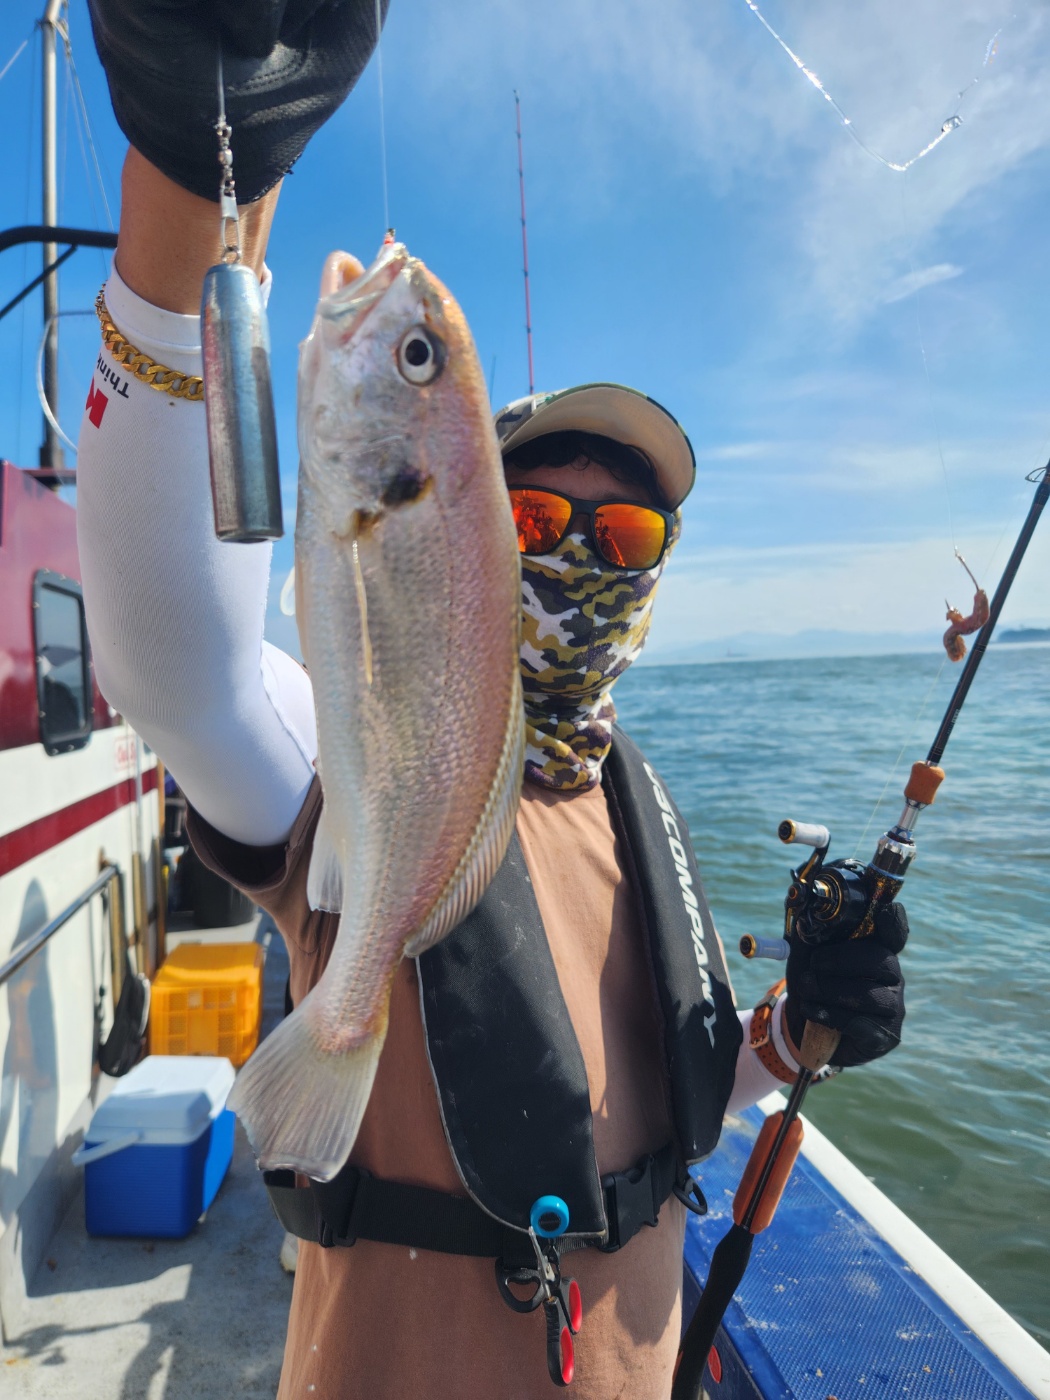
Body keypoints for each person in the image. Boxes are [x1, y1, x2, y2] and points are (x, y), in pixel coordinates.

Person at [78, 3, 908, 1396]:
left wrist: (792, 1032)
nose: (581, 554)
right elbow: (177, 664)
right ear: (464, 530)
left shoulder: (631, 800)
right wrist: (196, 192)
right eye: (533, 516)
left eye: (626, 534)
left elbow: (658, 1101)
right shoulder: (347, 755)